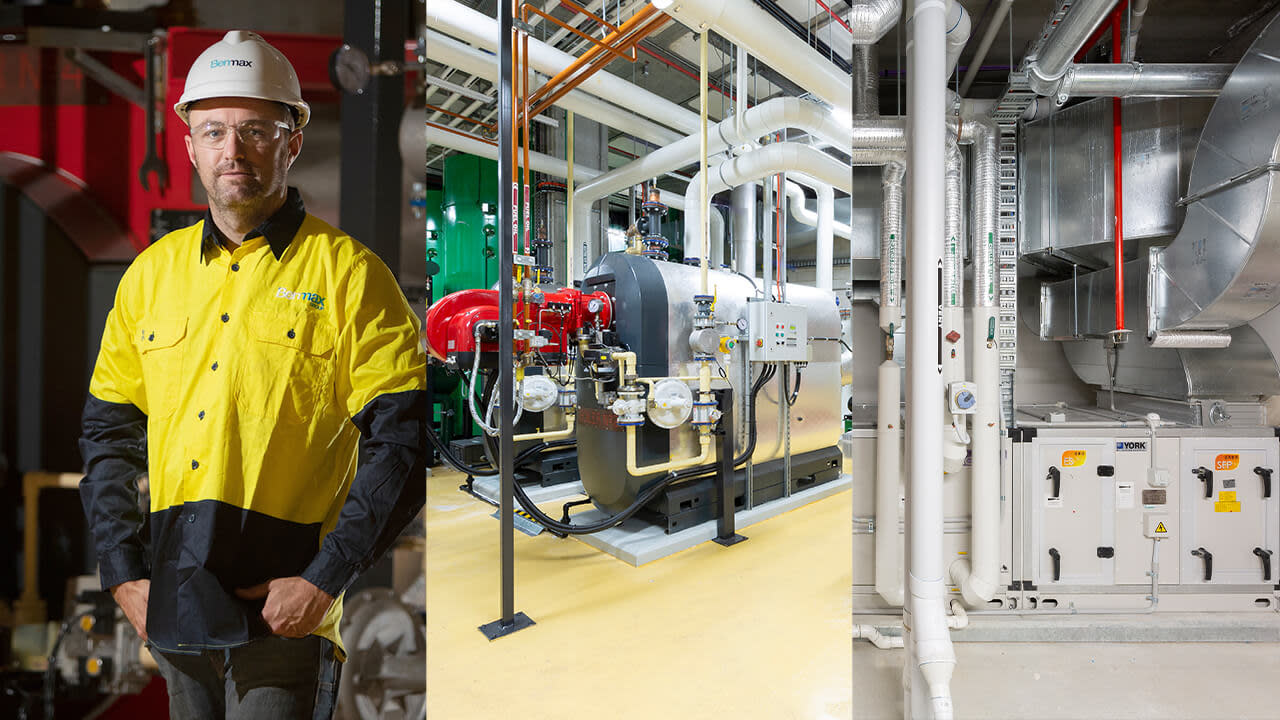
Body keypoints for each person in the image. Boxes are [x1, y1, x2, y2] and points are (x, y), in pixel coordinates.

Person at [78, 30, 426, 719]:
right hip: (174, 611)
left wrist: (325, 580)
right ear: (189, 146)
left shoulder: (351, 276)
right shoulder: (152, 276)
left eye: (254, 132)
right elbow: (107, 433)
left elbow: (405, 445)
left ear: (291, 142)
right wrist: (123, 575)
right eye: (213, 132)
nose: (231, 152)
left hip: (283, 621)